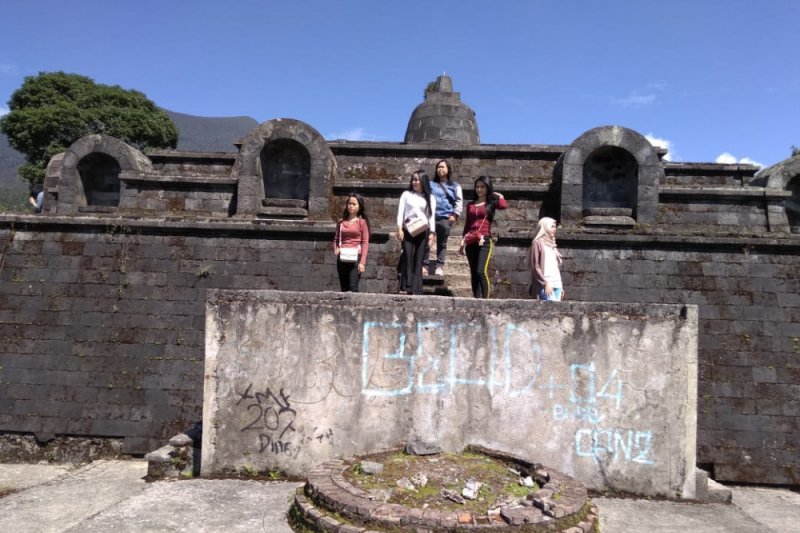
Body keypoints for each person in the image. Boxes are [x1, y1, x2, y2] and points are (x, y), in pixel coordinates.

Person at [459, 176, 507, 299]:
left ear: (487, 188)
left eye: (482, 187)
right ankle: (477, 299)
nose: (479, 189)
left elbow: (503, 206)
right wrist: (462, 241)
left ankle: (485, 301)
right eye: (477, 187)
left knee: (481, 271)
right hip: (471, 241)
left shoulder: (490, 204)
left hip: (484, 240)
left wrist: (500, 196)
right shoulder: (470, 205)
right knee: (474, 273)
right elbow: (467, 224)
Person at [396, 170, 436, 295]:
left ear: (423, 181)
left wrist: (432, 233)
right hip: (408, 230)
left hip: (422, 230)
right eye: (413, 179)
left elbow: (431, 217)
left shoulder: (430, 197)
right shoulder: (406, 194)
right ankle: (406, 286)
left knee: (419, 260)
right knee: (407, 257)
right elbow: (400, 212)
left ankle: (416, 288)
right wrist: (399, 228)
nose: (415, 182)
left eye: (417, 180)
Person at [423, 159, 463, 277]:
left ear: (448, 169)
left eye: (443, 167)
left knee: (442, 243)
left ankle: (439, 266)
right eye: (438, 167)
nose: (440, 169)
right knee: (426, 241)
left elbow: (459, 201)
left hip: (445, 218)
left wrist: (454, 215)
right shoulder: (430, 184)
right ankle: (424, 265)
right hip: (430, 218)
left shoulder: (455, 186)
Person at [333, 193, 370, 292]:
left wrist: (362, 262)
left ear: (359, 206)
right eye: (349, 203)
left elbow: (365, 242)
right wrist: (336, 248)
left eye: (354, 204)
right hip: (342, 257)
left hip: (355, 258)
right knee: (344, 288)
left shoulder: (362, 222)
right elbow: (336, 238)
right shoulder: (341, 223)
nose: (351, 206)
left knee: (353, 287)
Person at [529, 217, 564, 301]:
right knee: (551, 310)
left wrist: (561, 286)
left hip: (557, 283)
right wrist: (545, 283)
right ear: (545, 227)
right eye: (552, 227)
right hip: (545, 284)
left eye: (555, 227)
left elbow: (555, 267)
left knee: (556, 312)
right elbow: (535, 266)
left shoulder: (552, 245)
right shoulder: (537, 243)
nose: (554, 229)